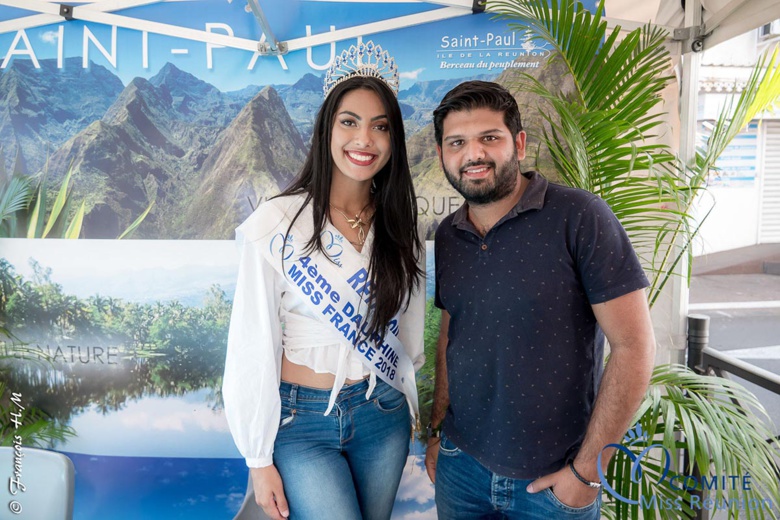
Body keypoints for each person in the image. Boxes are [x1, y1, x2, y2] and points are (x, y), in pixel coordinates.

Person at [424, 80, 656, 519]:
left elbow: (635, 347)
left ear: (520, 144)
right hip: (461, 469)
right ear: (442, 156)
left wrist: (587, 474)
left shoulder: (580, 217)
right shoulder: (449, 236)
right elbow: (452, 332)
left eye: (489, 138)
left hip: (552, 486)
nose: (474, 154)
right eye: (457, 143)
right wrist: (438, 429)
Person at [223, 41, 424, 520]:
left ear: (393, 139)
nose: (364, 140)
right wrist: (258, 459)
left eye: (380, 127)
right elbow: (251, 342)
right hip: (302, 422)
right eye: (349, 122)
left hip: (383, 414)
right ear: (327, 129)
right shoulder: (278, 223)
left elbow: (409, 329)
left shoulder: (398, 225)